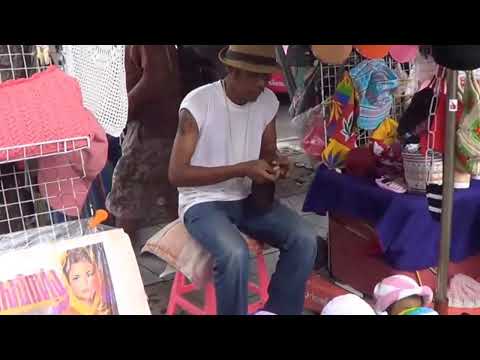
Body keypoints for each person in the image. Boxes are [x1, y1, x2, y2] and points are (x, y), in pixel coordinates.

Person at [168, 45, 319, 315]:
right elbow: (176, 174)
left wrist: (277, 165)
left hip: (247, 198)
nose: (262, 84)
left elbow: (268, 152)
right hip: (202, 202)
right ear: (231, 70)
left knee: (305, 238)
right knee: (234, 253)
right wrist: (242, 168)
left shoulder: (268, 102)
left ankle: (276, 312)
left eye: (266, 76)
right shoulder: (197, 104)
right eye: (254, 76)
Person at [106, 45, 182, 242]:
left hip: (150, 133)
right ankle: (191, 263)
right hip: (159, 131)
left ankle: (123, 264)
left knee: (126, 205)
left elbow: (157, 77)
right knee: (174, 201)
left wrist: (123, 109)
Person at [61, 247, 111, 315]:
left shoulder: (108, 306)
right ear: (68, 283)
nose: (84, 282)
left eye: (89, 274)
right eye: (76, 278)